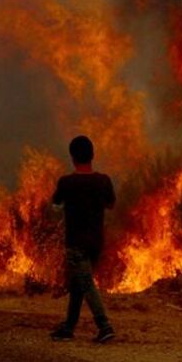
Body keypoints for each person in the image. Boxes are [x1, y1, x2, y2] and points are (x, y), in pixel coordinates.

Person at [49, 135, 116, 343]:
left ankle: (104, 325)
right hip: (96, 242)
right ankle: (69, 327)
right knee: (77, 283)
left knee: (85, 283)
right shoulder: (103, 181)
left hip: (76, 242)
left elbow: (56, 204)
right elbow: (111, 204)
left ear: (72, 157)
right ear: (93, 155)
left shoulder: (67, 182)